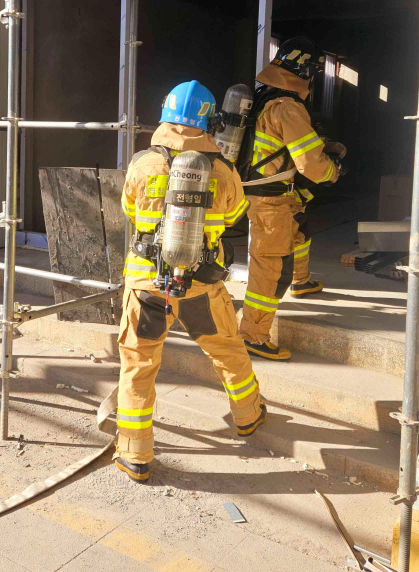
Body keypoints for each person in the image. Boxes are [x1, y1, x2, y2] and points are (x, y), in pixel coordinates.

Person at [115, 80, 267, 482]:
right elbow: (234, 216)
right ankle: (249, 415)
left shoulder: (142, 163)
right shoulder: (224, 170)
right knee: (228, 350)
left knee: (139, 363)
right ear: (209, 119)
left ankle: (135, 454)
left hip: (147, 283)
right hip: (201, 284)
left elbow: (130, 209)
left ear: (165, 115)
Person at [240, 37, 345, 361]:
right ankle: (254, 335)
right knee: (271, 267)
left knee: (299, 232)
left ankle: (302, 282)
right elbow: (311, 164)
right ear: (306, 73)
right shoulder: (287, 106)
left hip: (270, 192)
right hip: (271, 200)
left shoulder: (265, 96)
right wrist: (333, 171)